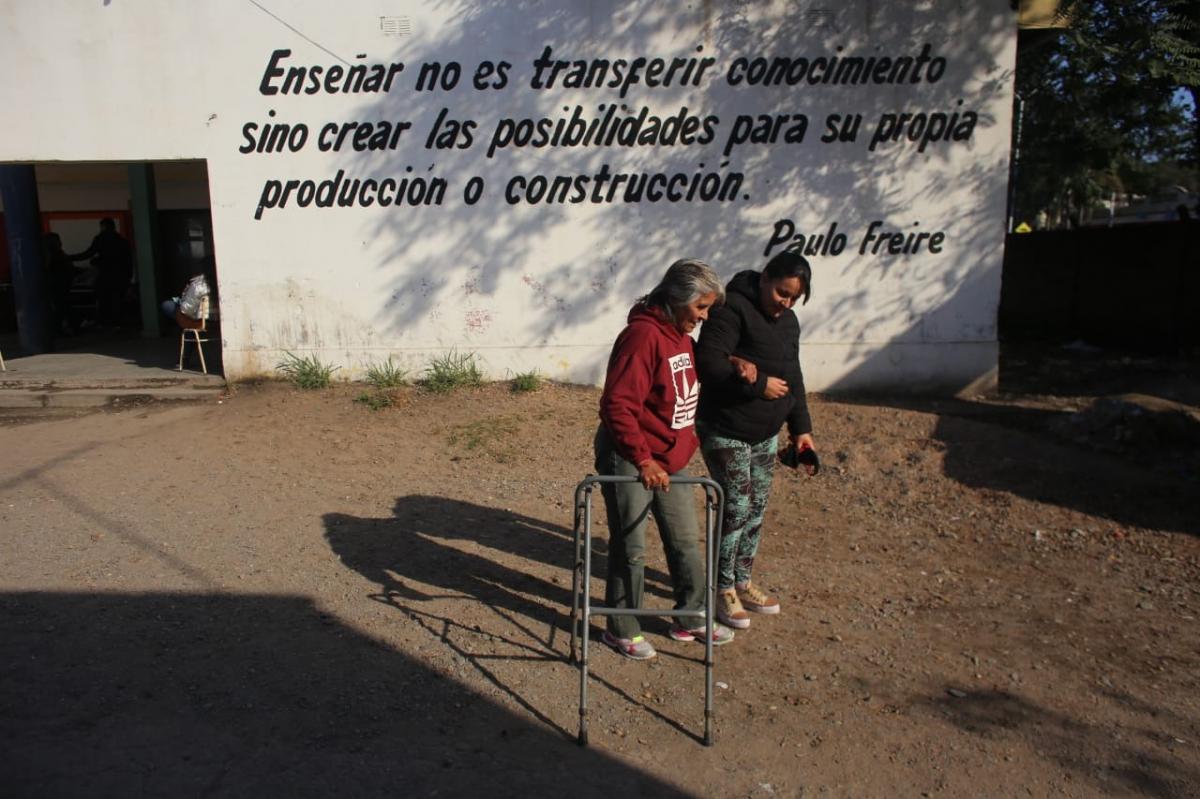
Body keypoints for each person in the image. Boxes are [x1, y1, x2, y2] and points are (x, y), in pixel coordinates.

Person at [595, 258, 736, 660]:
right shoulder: (642, 337)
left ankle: (690, 616)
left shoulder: (680, 336)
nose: (704, 318)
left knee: (685, 540)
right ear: (677, 298)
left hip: (670, 458)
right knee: (631, 545)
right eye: (701, 308)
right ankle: (621, 626)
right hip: (631, 455)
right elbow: (618, 405)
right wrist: (642, 459)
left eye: (708, 309)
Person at [694, 249, 816, 631]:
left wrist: (802, 431)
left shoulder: (790, 322)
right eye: (782, 293)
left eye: (794, 298)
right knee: (736, 507)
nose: (787, 303)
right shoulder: (731, 310)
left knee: (757, 507)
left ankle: (742, 579)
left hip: (766, 432)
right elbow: (709, 363)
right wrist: (758, 385)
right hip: (725, 428)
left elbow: (792, 376)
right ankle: (722, 588)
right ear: (765, 278)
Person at [69, 217, 133, 326]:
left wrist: (70, 258)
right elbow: (128, 261)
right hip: (120, 275)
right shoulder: (122, 241)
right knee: (117, 300)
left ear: (103, 227)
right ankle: (117, 323)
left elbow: (88, 253)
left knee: (104, 299)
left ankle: (105, 322)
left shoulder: (100, 239)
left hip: (106, 275)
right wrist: (129, 276)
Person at [44, 232, 82, 336]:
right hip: (60, 284)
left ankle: (61, 329)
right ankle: (71, 327)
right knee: (64, 307)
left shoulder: (49, 255)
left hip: (56, 285)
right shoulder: (58, 255)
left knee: (61, 307)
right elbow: (68, 268)